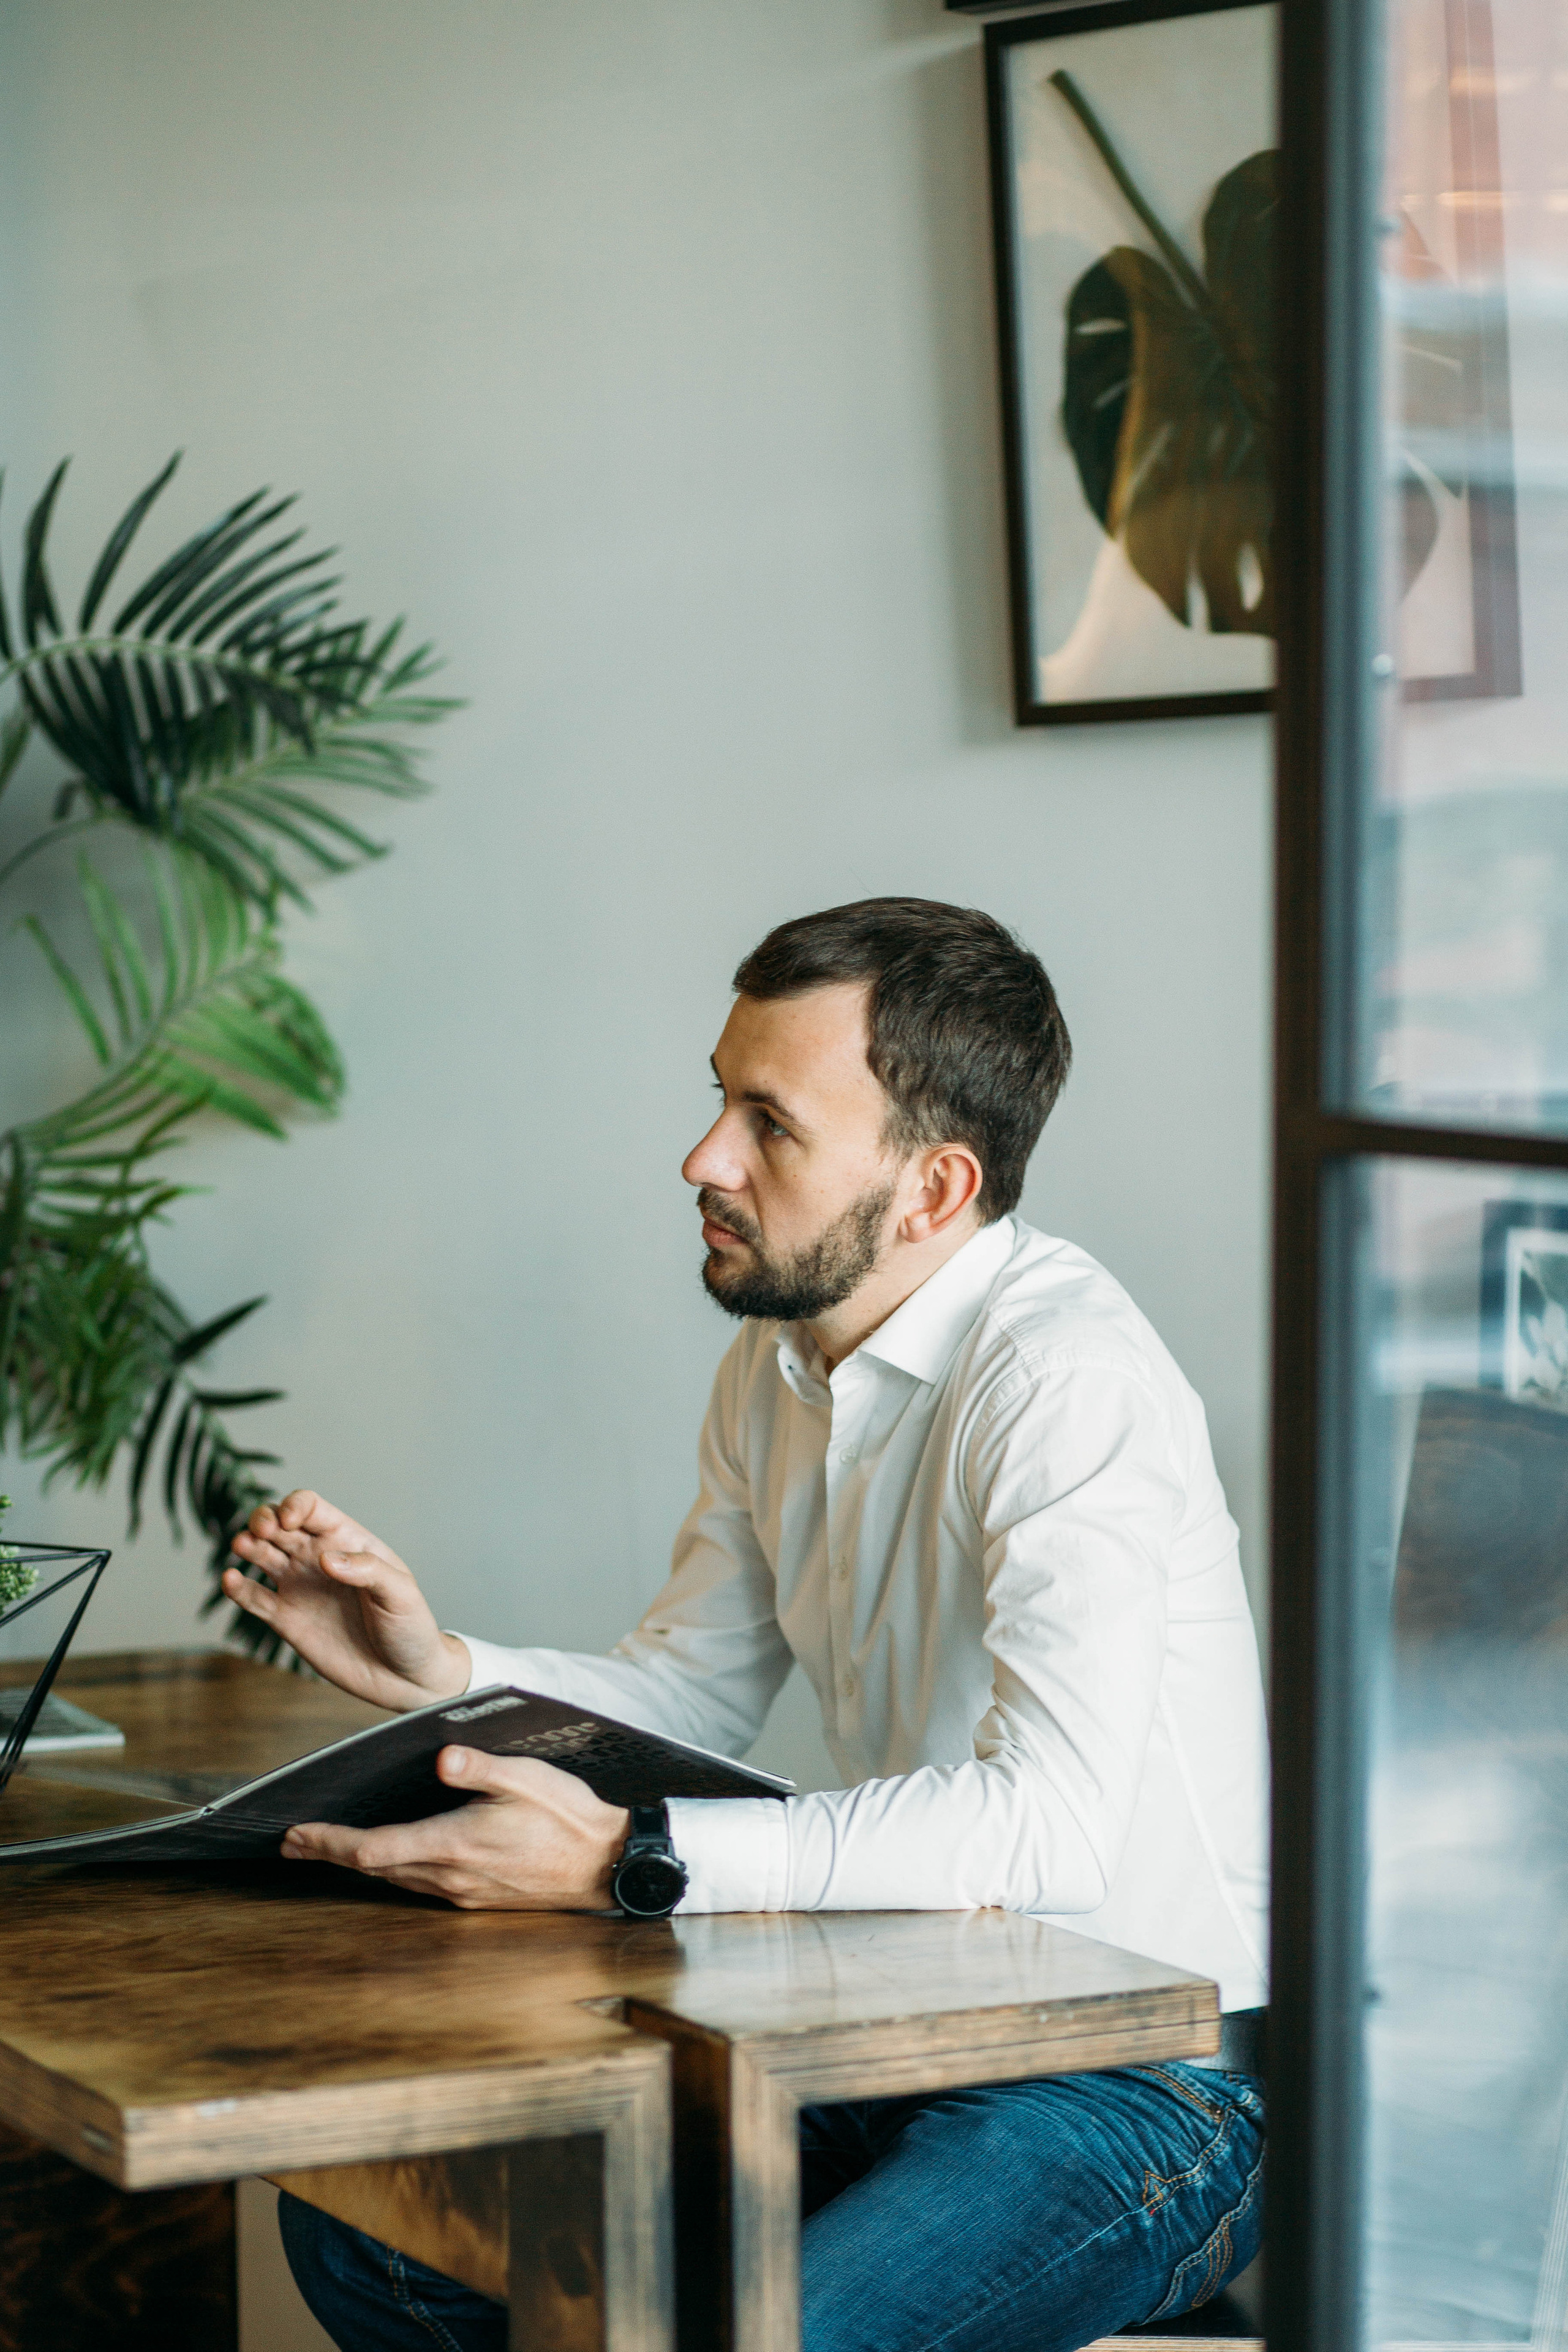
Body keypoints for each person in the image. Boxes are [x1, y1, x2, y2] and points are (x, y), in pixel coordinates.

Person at [226, 898, 1270, 2352]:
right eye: (717, 1096)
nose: (701, 1157)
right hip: (875, 2031)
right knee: (376, 2222)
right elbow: (688, 1694)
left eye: (767, 1124)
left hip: (1143, 2080)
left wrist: (632, 1859)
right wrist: (443, 1669)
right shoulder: (779, 1362)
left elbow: (1053, 1827)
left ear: (931, 1188)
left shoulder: (1063, 1379)